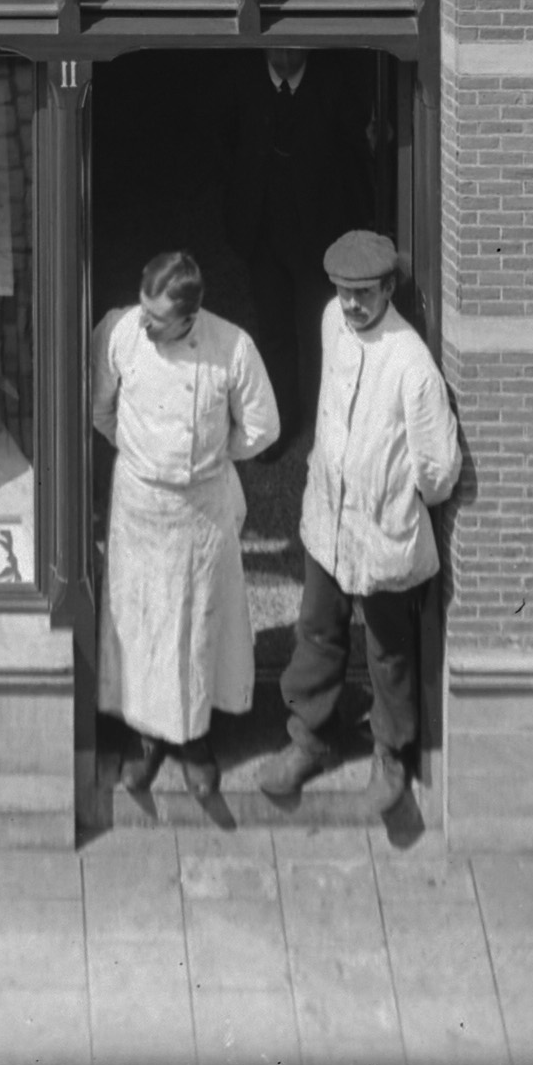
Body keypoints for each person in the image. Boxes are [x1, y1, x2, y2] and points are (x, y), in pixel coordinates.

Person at [250, 226, 457, 823]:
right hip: (327, 517)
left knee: (388, 650)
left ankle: (390, 755)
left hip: (384, 529)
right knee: (317, 630)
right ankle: (310, 739)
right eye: (343, 291)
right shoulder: (329, 321)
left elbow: (440, 469)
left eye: (364, 293)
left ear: (388, 288)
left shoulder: (412, 364)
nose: (351, 303)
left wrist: (395, 498)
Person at [89, 246, 277, 818]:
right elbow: (102, 410)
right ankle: (145, 737)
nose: (144, 324)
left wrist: (210, 460)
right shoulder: (119, 333)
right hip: (139, 506)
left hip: (200, 511)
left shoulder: (232, 348)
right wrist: (143, 458)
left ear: (191, 316)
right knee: (141, 624)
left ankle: (194, 741)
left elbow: (262, 428)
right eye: (143, 309)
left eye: (158, 318)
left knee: (195, 626)